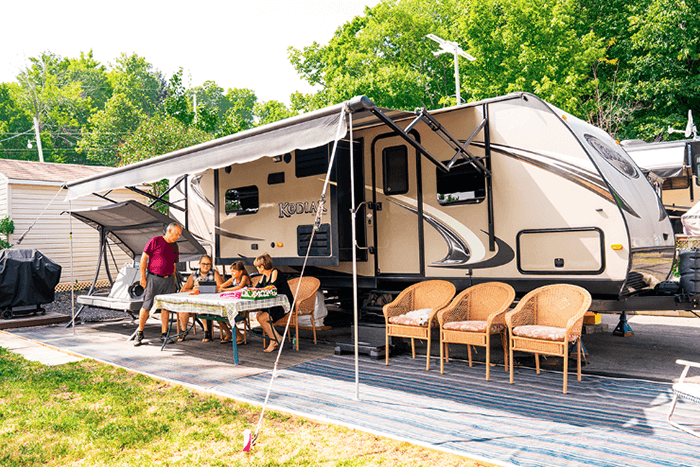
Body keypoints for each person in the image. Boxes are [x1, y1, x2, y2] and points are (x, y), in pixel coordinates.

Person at [134, 223, 182, 347]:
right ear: (169, 230)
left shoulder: (175, 246)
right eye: (177, 233)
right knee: (147, 305)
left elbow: (174, 264)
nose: (178, 236)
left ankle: (164, 334)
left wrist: (174, 280)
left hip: (168, 280)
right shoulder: (155, 241)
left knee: (165, 307)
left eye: (179, 235)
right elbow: (143, 259)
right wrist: (143, 277)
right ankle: (139, 333)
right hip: (153, 279)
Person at [176, 254, 228, 343]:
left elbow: (220, 288)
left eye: (208, 264)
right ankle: (183, 331)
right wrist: (193, 289)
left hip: (209, 300)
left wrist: (209, 288)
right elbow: (185, 289)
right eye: (204, 264)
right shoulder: (194, 274)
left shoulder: (214, 273)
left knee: (201, 308)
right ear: (199, 264)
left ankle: (206, 331)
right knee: (182, 309)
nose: (206, 266)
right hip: (195, 299)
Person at [254, 253, 294, 353]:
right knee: (259, 315)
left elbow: (271, 287)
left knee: (263, 318)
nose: (257, 269)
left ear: (262, 267)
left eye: (257, 267)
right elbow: (257, 288)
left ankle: (274, 341)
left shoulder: (275, 272)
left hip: (283, 304)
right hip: (272, 304)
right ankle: (277, 337)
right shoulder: (264, 276)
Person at [218, 261, 252, 344]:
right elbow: (221, 286)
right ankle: (229, 333)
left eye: (234, 271)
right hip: (236, 302)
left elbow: (239, 287)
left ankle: (239, 335)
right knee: (219, 316)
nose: (232, 273)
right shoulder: (233, 279)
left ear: (240, 272)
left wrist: (224, 290)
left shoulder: (244, 277)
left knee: (228, 316)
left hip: (245, 304)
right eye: (231, 271)